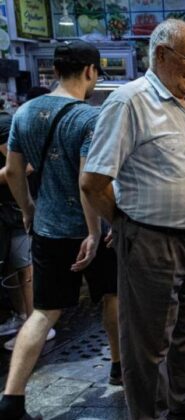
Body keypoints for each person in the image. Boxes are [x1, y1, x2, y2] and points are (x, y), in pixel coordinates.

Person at [80, 20, 185, 420]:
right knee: (148, 342)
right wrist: (125, 225)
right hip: (152, 242)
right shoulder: (131, 101)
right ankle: (149, 415)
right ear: (162, 54)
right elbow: (93, 182)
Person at [0, 41, 122, 420]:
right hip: (94, 232)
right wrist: (96, 228)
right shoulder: (89, 117)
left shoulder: (24, 113)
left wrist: (28, 210)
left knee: (43, 313)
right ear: (90, 71)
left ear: (55, 71)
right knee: (112, 297)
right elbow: (91, 182)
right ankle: (119, 367)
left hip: (48, 230)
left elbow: (11, 172)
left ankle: (11, 399)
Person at [0, 89, 51, 346]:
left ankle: (35, 325)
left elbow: (22, 167)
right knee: (15, 265)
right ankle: (23, 318)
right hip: (13, 209)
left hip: (20, 207)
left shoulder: (6, 124)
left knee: (25, 267)